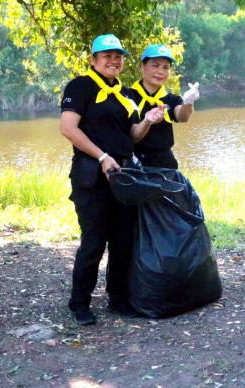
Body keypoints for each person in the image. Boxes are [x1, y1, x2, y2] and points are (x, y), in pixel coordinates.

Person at [59, 34, 165, 326]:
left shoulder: (124, 93)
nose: (114, 61)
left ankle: (117, 299)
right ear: (93, 59)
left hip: (124, 177)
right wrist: (102, 157)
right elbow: (68, 128)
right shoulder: (80, 86)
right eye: (107, 56)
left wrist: (148, 121)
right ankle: (80, 303)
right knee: (93, 241)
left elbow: (131, 136)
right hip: (92, 176)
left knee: (122, 241)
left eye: (118, 56)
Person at [129, 44, 200, 169]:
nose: (160, 71)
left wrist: (188, 101)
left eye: (165, 67)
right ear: (142, 66)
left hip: (164, 163)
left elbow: (182, 116)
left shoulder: (171, 99)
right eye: (155, 65)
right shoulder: (127, 96)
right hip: (133, 162)